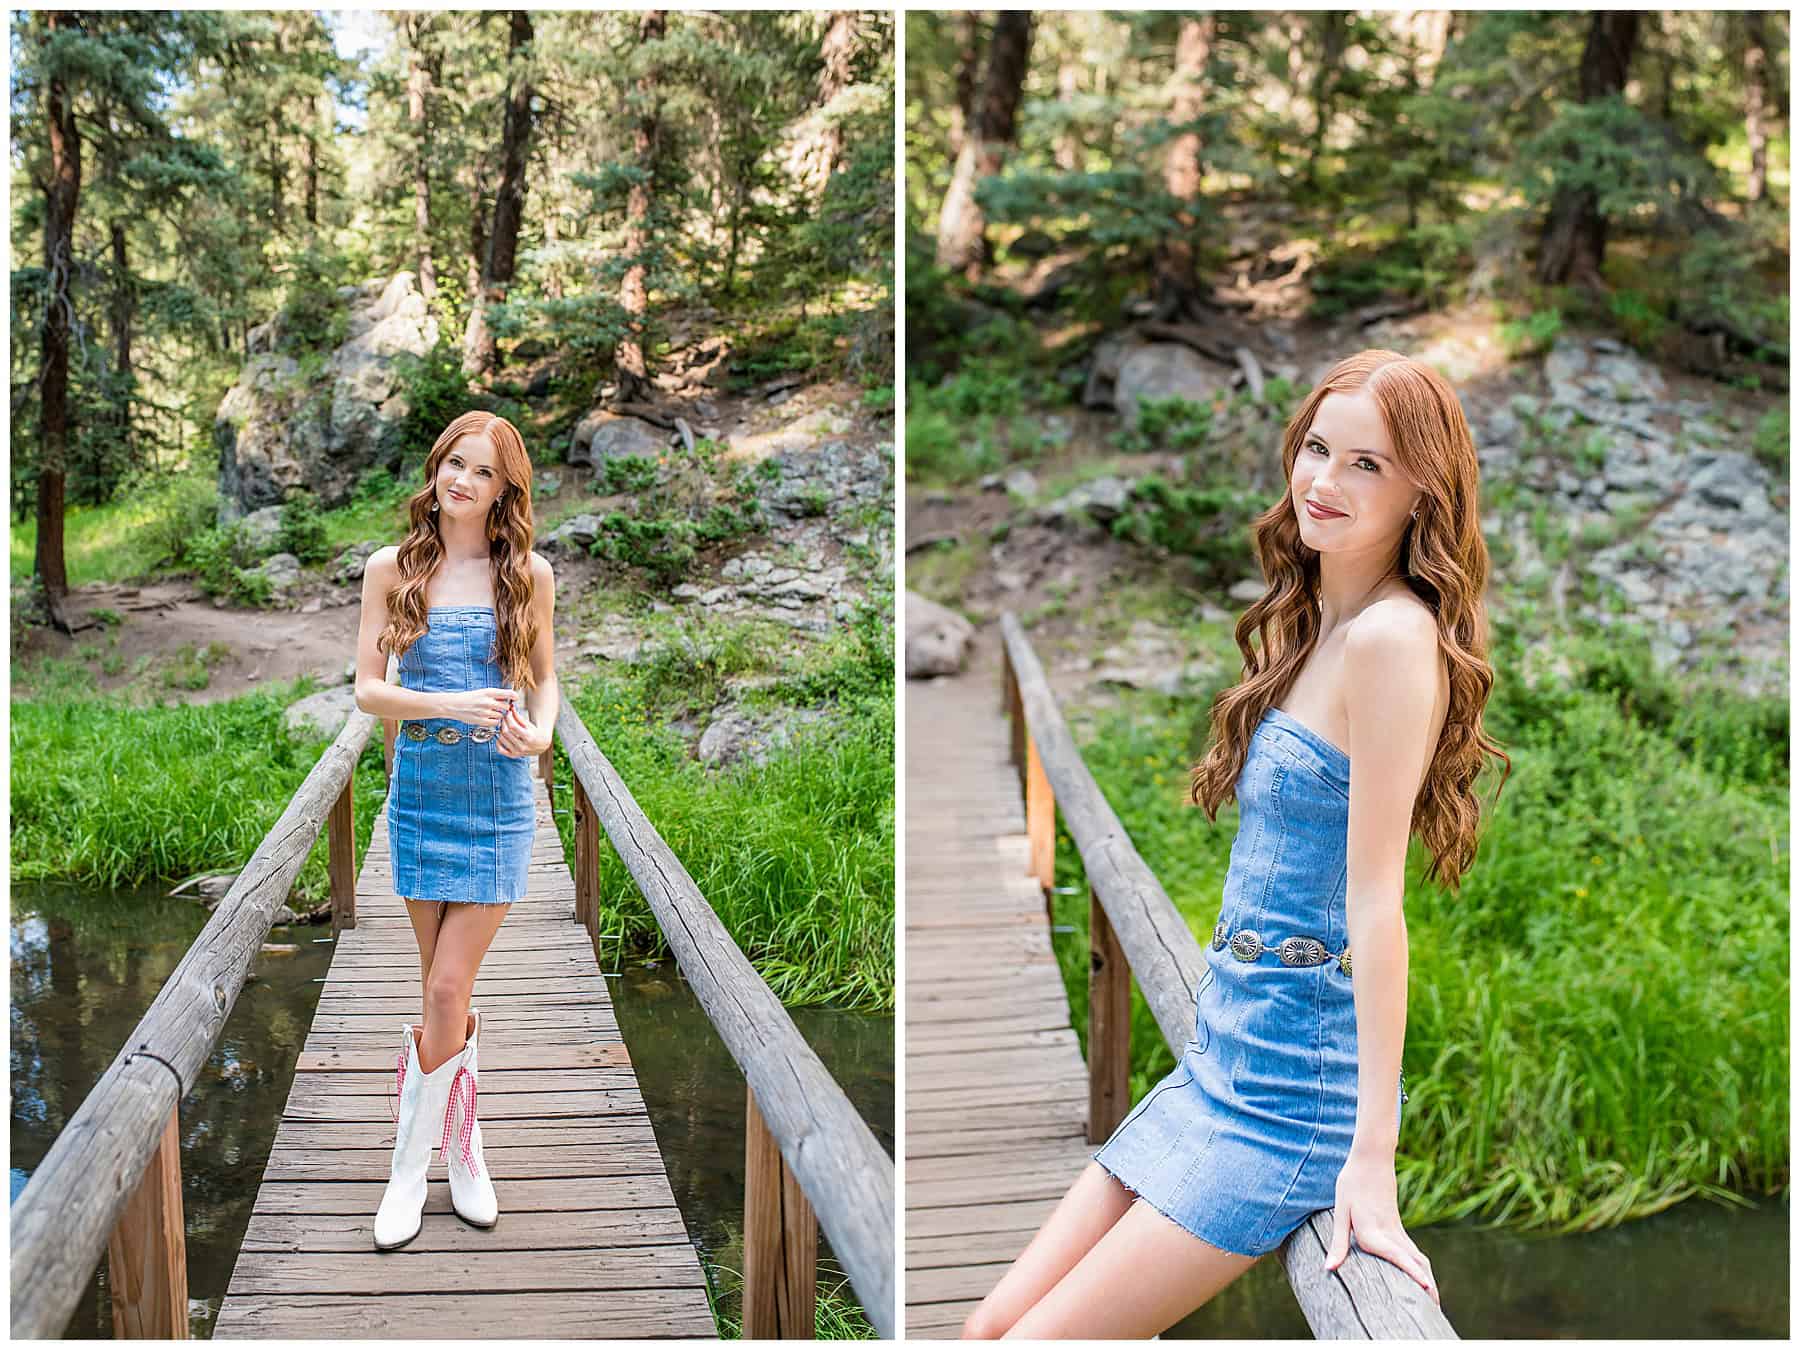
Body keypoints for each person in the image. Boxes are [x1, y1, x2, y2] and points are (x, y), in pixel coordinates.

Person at [962, 350, 1510, 1338]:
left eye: (1367, 465)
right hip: (1223, 1053)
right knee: (985, 1332)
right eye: (1318, 448)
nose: (1324, 480)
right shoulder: (1319, 621)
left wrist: (1371, 1160)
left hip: (1291, 1092)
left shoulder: (1391, 640)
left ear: (1424, 491)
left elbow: (1376, 905)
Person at [351, 409, 559, 1251]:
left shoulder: (529, 574)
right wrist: (449, 703)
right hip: (421, 795)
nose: (461, 481)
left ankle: (417, 1165)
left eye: (481, 471)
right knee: (440, 990)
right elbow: (369, 690)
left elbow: (546, 681)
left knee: (445, 990)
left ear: (505, 489)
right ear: (435, 470)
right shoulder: (391, 568)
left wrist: (540, 734)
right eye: (453, 463)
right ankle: (459, 1148)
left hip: (500, 801)